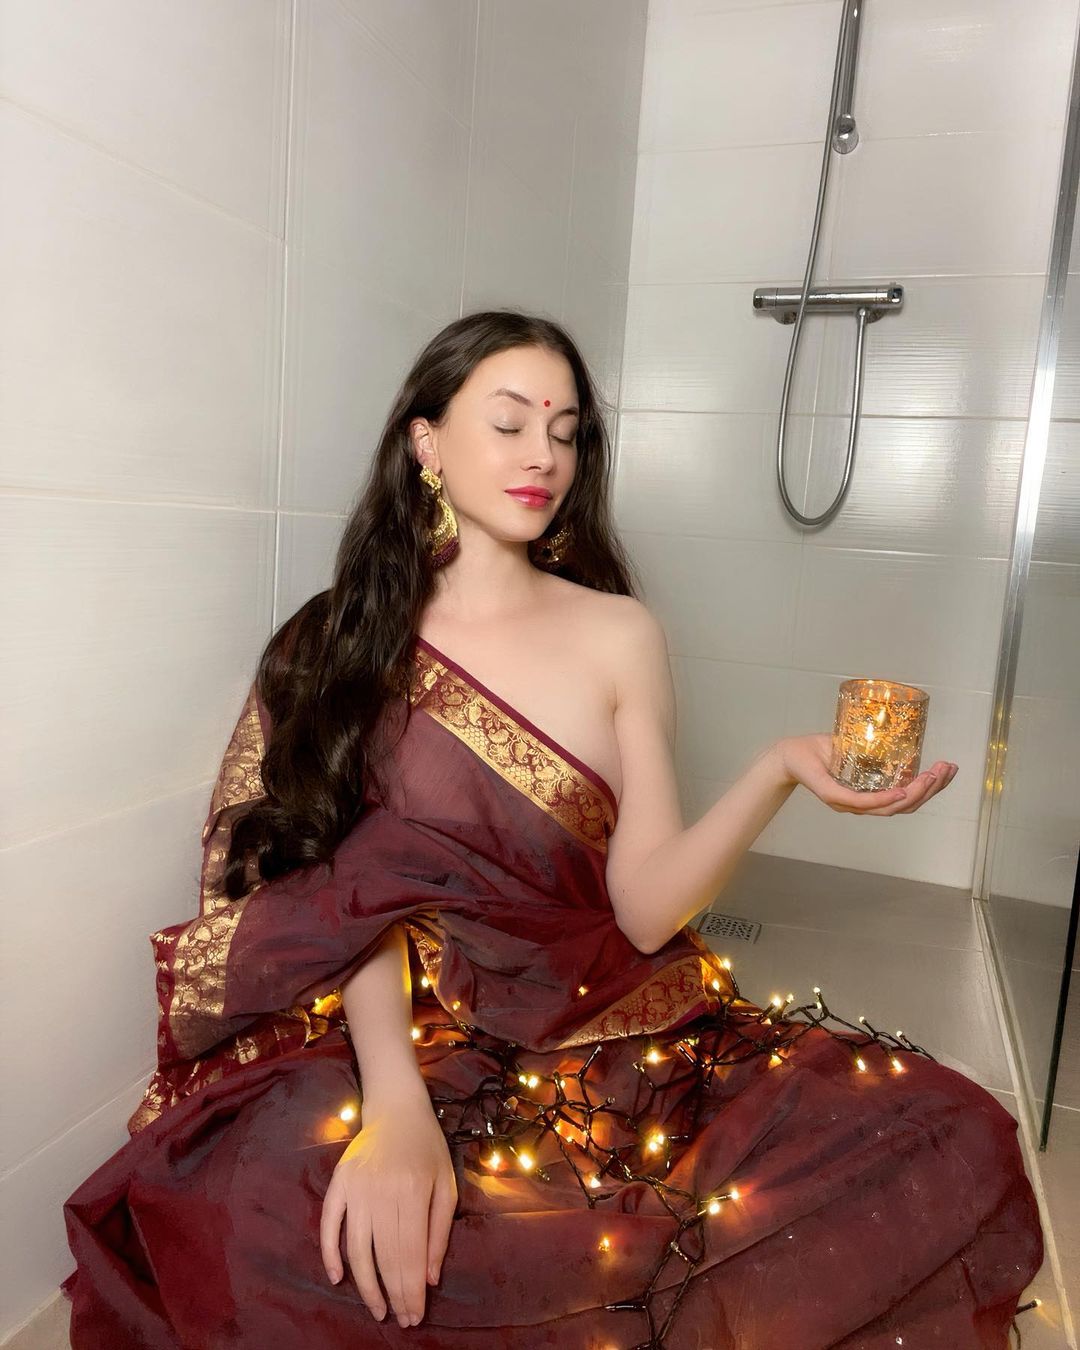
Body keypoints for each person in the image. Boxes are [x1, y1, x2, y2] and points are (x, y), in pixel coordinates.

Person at [61, 311, 1043, 1349]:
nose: (544, 456)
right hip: (390, 1026)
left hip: (593, 1018)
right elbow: (335, 897)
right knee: (278, 1210)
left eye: (566, 432)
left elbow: (646, 909)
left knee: (948, 1135)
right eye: (511, 424)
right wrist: (395, 1107)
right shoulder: (342, 642)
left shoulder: (618, 632)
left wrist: (776, 773)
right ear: (427, 443)